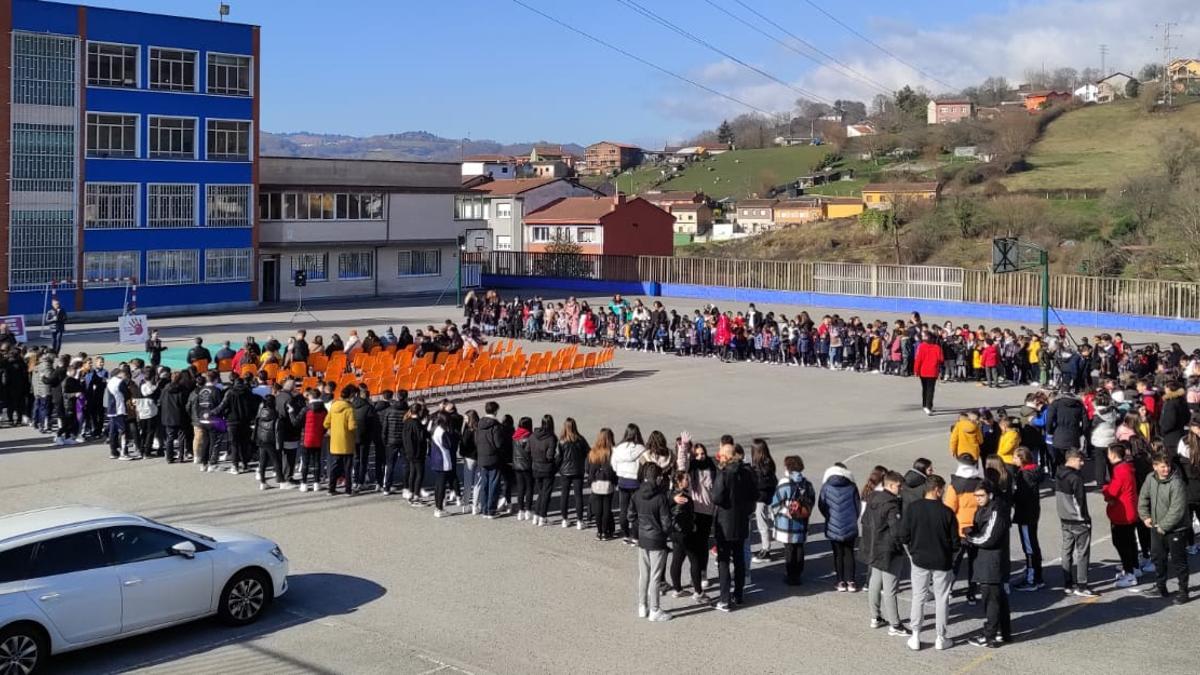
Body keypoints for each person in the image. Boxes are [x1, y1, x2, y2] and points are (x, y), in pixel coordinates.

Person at [897, 474, 959, 652]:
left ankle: (915, 635)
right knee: (942, 599)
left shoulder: (913, 509)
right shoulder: (947, 513)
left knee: (918, 596)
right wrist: (951, 557)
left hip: (919, 560)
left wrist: (912, 553)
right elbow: (955, 543)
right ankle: (941, 637)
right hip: (942, 561)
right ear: (937, 490)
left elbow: (903, 536)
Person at [860, 470, 910, 637]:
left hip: (874, 546)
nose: (901, 489)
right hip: (888, 550)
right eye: (898, 486)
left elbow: (865, 521)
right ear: (890, 485)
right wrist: (904, 545)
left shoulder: (873, 497)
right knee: (890, 588)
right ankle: (895, 624)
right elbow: (897, 531)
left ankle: (875, 616)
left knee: (875, 581)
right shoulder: (891, 504)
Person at [966, 480, 1013, 648]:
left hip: (992, 562)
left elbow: (989, 538)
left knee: (991, 600)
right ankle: (1003, 632)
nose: (978, 499)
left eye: (981, 496)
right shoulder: (986, 508)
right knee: (998, 598)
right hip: (987, 560)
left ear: (990, 494)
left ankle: (990, 635)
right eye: (976, 496)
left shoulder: (997, 511)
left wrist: (970, 538)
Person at [711, 441, 757, 612]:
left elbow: (716, 497)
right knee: (738, 559)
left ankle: (724, 599)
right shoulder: (746, 473)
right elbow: (754, 495)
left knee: (723, 561)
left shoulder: (723, 474)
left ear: (725, 457)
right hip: (741, 521)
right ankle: (739, 594)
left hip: (725, 522)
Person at [1138, 453, 1190, 604]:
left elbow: (1177, 509)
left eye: (1167, 466)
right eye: (1162, 466)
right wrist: (1145, 516)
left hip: (1176, 530)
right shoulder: (1150, 478)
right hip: (1156, 527)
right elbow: (1143, 497)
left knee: (1179, 561)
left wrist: (1164, 526)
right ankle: (1161, 587)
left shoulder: (1177, 483)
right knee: (1158, 558)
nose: (1166, 469)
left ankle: (1183, 592)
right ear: (1155, 467)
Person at [628, 463, 674, 622]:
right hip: (657, 540)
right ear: (659, 478)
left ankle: (642, 606)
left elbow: (631, 516)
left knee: (644, 575)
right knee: (655, 576)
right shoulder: (660, 498)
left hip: (643, 539)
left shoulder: (636, 494)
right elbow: (667, 523)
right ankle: (655, 609)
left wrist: (639, 529)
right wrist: (665, 532)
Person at [769, 455, 815, 586]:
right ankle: (798, 574)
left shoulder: (785, 483)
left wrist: (784, 511)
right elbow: (811, 501)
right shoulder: (807, 484)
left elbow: (775, 503)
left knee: (789, 549)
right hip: (801, 522)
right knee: (800, 548)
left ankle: (790, 575)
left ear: (788, 468)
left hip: (787, 524)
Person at [944, 453, 983, 604]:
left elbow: (949, 509)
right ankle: (971, 593)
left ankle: (948, 590)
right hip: (975, 529)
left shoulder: (955, 485)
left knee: (954, 562)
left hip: (959, 530)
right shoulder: (980, 483)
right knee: (974, 563)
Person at [1101, 442, 1140, 588]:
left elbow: (1112, 492)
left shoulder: (1120, 470)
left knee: (1121, 543)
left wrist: (1105, 489)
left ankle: (1129, 573)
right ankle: (1133, 568)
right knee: (1130, 541)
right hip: (1129, 509)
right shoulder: (1127, 467)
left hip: (1122, 513)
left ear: (1113, 454)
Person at [1056, 449, 1095, 596]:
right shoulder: (1075, 478)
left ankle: (1067, 583)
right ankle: (1082, 585)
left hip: (1064, 518)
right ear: (1072, 459)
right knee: (1082, 552)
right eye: (1080, 460)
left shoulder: (1059, 473)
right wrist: (1084, 519)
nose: (1083, 463)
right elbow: (1080, 501)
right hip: (1078, 520)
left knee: (1066, 550)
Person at [819, 462, 861, 591]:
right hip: (850, 524)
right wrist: (853, 517)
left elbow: (822, 505)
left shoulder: (826, 486)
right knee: (849, 553)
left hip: (833, 524)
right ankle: (851, 581)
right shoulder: (852, 486)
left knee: (837, 554)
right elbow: (858, 505)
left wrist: (828, 517)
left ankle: (840, 581)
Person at [1011, 447, 1044, 591]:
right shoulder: (1034, 471)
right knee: (1033, 543)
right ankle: (1037, 575)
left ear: (1022, 459)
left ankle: (1032, 579)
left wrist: (1011, 497)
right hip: (1033, 512)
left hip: (1025, 514)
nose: (1013, 460)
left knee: (1029, 546)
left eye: (1015, 457)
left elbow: (1021, 496)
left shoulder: (1024, 475)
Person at [612, 424, 647, 545]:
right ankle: (635, 536)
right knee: (636, 510)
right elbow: (645, 465)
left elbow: (614, 464)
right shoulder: (641, 449)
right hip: (636, 483)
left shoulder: (618, 448)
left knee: (623, 509)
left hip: (623, 481)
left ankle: (626, 534)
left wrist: (620, 472)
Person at [324, 385, 358, 496]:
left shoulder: (333, 407)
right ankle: (348, 490)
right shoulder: (349, 409)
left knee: (335, 466)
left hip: (335, 442)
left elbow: (326, 423)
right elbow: (351, 426)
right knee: (347, 468)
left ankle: (331, 488)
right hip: (347, 442)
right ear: (350, 396)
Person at [475, 401, 505, 518]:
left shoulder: (479, 424)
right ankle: (491, 509)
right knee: (494, 484)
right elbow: (498, 443)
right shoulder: (495, 426)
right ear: (496, 411)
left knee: (484, 483)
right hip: (493, 457)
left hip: (482, 456)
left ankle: (483, 508)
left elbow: (476, 440)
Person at [557, 418, 589, 529]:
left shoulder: (561, 441)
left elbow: (559, 457)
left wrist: (558, 467)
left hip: (565, 471)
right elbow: (588, 452)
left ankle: (564, 519)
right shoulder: (580, 439)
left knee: (564, 495)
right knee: (578, 495)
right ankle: (580, 520)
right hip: (578, 470)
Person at [587, 428, 618, 540]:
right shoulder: (612, 452)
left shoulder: (593, 452)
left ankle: (599, 531)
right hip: (608, 483)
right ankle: (605, 532)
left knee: (598, 510)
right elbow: (615, 469)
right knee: (606, 509)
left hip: (596, 484)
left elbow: (588, 468)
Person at [529, 414, 559, 526]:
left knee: (541, 492)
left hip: (535, 467)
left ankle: (537, 514)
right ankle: (542, 516)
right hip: (547, 468)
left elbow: (528, 449)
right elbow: (550, 456)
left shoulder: (533, 435)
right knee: (546, 493)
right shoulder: (551, 438)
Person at [750, 438, 777, 560]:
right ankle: (766, 546)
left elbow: (759, 483)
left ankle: (766, 549)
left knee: (762, 524)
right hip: (768, 496)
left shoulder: (759, 467)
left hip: (760, 498)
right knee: (765, 522)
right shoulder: (769, 463)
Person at [429, 411, 459, 517]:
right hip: (443, 460)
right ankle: (439, 508)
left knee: (438, 485)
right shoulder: (443, 432)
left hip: (435, 459)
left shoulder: (434, 429)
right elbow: (449, 445)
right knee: (441, 486)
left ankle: (438, 507)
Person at [299, 388, 327, 492]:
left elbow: (297, 422)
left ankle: (304, 483)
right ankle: (316, 483)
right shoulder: (324, 409)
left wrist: (292, 412)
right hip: (318, 437)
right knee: (317, 461)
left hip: (306, 437)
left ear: (310, 396)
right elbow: (326, 423)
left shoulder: (306, 409)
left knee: (305, 462)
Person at [402, 404, 430, 505]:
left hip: (409, 451)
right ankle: (416, 495)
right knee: (419, 473)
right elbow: (421, 437)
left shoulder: (407, 421)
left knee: (412, 472)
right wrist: (425, 426)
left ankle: (411, 492)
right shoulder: (416, 423)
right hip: (417, 452)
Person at [254, 394, 280, 489]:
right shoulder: (275, 413)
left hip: (261, 438)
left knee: (263, 460)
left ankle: (262, 481)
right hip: (270, 439)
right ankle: (281, 480)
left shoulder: (261, 412)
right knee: (276, 460)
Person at [913, 332, 944, 414]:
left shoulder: (928, 346)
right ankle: (927, 406)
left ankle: (925, 405)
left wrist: (916, 370)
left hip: (927, 371)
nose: (923, 337)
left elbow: (918, 359)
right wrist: (916, 370)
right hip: (929, 371)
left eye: (925, 336)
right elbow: (941, 359)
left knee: (926, 389)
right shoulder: (933, 347)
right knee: (929, 389)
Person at [512, 416, 535, 520]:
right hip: (528, 465)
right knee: (529, 488)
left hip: (517, 465)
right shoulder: (530, 437)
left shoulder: (515, 435)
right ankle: (528, 510)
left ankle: (520, 510)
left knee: (520, 488)